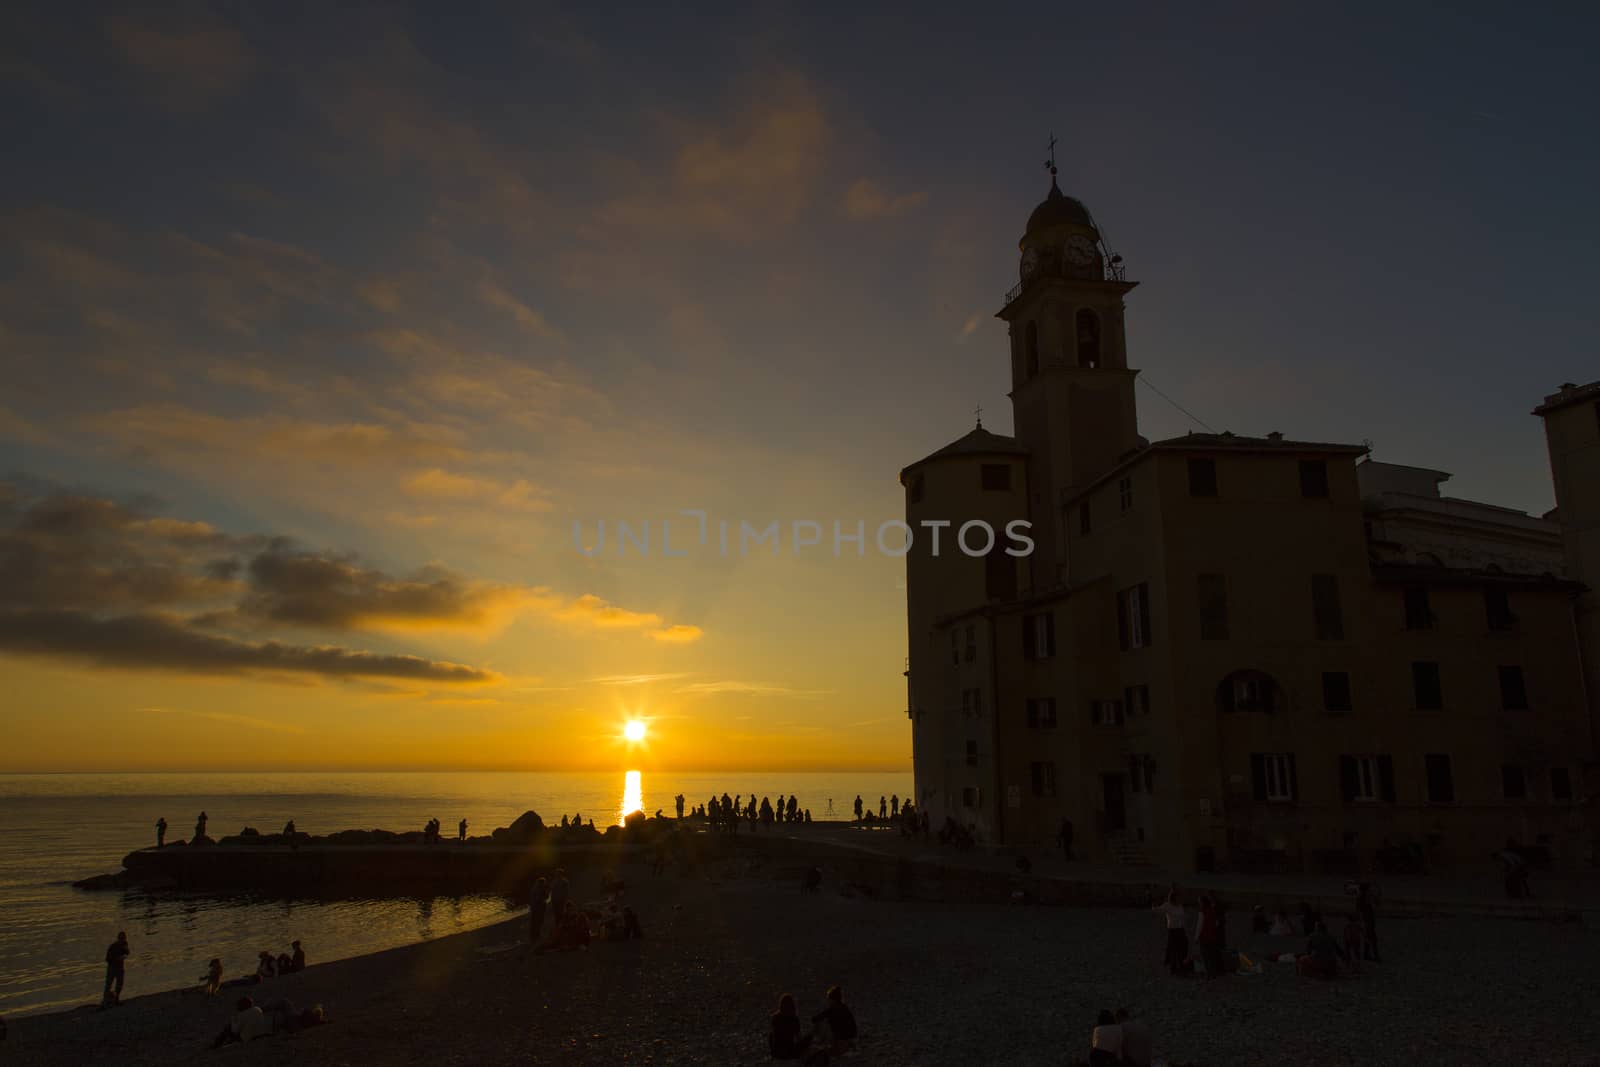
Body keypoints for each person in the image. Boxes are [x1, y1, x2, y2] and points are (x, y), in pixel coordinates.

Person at [811, 985, 857, 1056]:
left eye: (829, 999)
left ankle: (822, 1041)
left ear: (833, 1000)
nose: (828, 1001)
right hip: (850, 1037)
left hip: (840, 1038)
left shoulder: (832, 1010)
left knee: (822, 1022)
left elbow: (815, 1019)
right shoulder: (845, 1008)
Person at [1152, 887, 1188, 975]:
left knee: (1183, 947)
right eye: (1178, 897)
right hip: (1173, 930)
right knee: (1174, 949)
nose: (1179, 899)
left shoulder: (1180, 906)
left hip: (1180, 930)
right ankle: (1175, 968)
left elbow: (1183, 918)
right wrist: (1154, 905)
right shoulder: (1167, 905)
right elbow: (1157, 910)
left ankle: (1179, 965)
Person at [769, 993, 815, 1061]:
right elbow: (798, 1037)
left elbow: (772, 1037)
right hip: (790, 1053)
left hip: (777, 1053)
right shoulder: (794, 1019)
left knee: (771, 1034)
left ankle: (774, 1054)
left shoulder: (775, 1017)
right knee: (809, 1037)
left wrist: (773, 1052)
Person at [1195, 894, 1223, 977]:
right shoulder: (1212, 910)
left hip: (1204, 936)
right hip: (1212, 936)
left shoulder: (1202, 912)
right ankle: (1213, 972)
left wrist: (1196, 937)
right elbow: (1217, 923)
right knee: (1211, 955)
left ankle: (1209, 973)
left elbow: (1199, 925)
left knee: (1205, 956)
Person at [102, 931, 130, 1006]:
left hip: (120, 968)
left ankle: (116, 1000)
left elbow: (127, 952)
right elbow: (108, 959)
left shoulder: (125, 944)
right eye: (121, 938)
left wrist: (125, 951)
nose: (122, 940)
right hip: (112, 968)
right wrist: (117, 959)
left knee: (119, 984)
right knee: (108, 985)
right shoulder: (113, 946)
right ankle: (104, 1002)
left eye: (123, 938)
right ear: (118, 939)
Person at [1356, 882, 1382, 961]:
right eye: (1368, 889)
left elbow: (1376, 904)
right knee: (1373, 938)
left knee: (1368, 938)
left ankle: (1366, 954)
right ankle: (1375, 956)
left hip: (1368, 921)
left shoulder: (1364, 898)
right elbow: (1360, 912)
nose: (1370, 891)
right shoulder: (1362, 899)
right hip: (1367, 921)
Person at [529, 876, 549, 943]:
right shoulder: (541, 889)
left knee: (534, 921)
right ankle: (536, 935)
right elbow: (545, 897)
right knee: (539, 921)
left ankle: (534, 935)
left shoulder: (534, 888)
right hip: (539, 907)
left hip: (534, 907)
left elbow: (533, 898)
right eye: (544, 882)